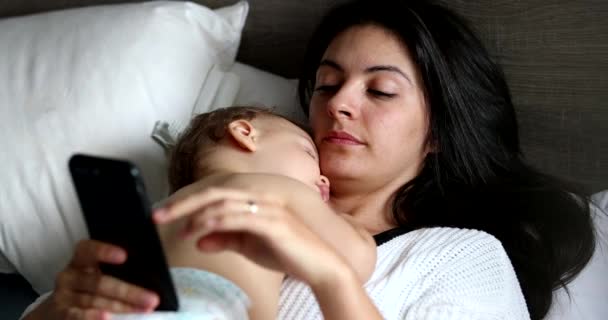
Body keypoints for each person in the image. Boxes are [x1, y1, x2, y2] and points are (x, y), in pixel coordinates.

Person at [22, 1, 596, 319]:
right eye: (325, 85)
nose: (339, 105)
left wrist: (330, 279)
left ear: (438, 134)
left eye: (380, 91)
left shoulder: (457, 256)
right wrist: (63, 307)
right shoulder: (195, 204)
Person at [154, 106, 375, 320]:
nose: (323, 178)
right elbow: (354, 258)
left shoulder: (159, 208)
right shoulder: (274, 188)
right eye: (308, 152)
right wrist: (350, 223)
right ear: (245, 134)